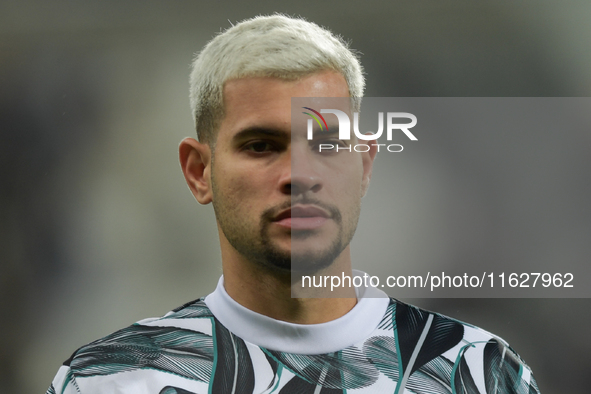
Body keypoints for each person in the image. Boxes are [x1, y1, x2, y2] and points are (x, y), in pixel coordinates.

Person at [46, 14, 540, 394]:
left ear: (365, 166)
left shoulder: (476, 372)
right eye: (261, 145)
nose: (300, 177)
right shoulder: (112, 380)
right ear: (200, 172)